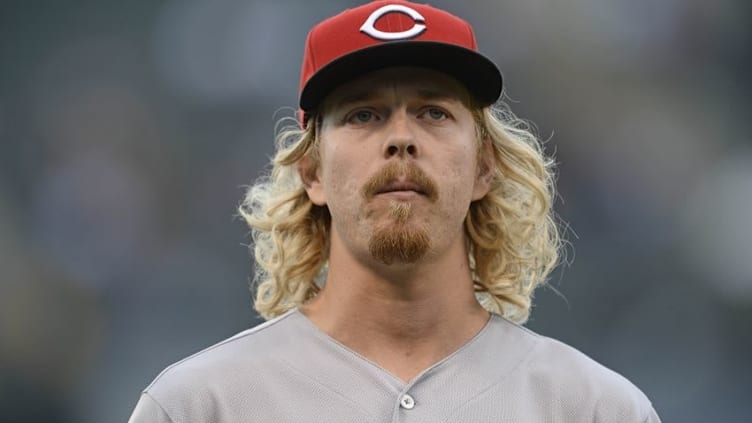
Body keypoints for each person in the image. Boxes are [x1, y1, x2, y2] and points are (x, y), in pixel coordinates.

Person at [129, 1, 661, 421]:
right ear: (311, 172)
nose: (401, 138)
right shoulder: (199, 407)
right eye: (364, 114)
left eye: (433, 111)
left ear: (484, 166)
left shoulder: (594, 410)